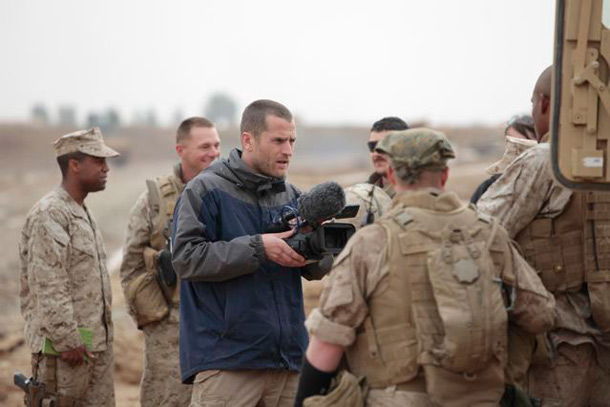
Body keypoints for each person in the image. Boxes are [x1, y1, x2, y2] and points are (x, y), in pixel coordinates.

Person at [295, 128, 555, 407]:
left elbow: (327, 345)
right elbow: (539, 314)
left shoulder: (371, 242)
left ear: (392, 176)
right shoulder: (489, 234)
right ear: (444, 175)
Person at [171, 100, 333, 407]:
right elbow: (185, 258)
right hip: (228, 363)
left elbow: (316, 269)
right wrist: (259, 248)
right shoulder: (205, 190)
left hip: (288, 362)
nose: (288, 150)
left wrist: (319, 247)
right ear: (248, 140)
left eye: (292, 141)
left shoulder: (294, 196)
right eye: (278, 141)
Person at [478, 66, 610, 406]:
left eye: (534, 103)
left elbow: (479, 233)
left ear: (546, 104)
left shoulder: (544, 160)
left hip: (558, 344)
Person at [119, 117, 220, 407]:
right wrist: (156, 317)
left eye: (216, 145)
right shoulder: (153, 202)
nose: (213, 153)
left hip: (219, 325)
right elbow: (131, 266)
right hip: (170, 331)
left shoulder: (227, 193)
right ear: (181, 150)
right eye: (204, 146)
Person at [19, 127, 119, 407]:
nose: (106, 168)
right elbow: (48, 283)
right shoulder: (50, 213)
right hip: (64, 354)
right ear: (74, 165)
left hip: (91, 348)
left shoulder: (79, 211)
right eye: (98, 161)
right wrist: (67, 339)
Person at [366, 116, 409, 198]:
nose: (376, 153)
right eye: (372, 146)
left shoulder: (420, 194)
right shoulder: (363, 194)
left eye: (384, 145)